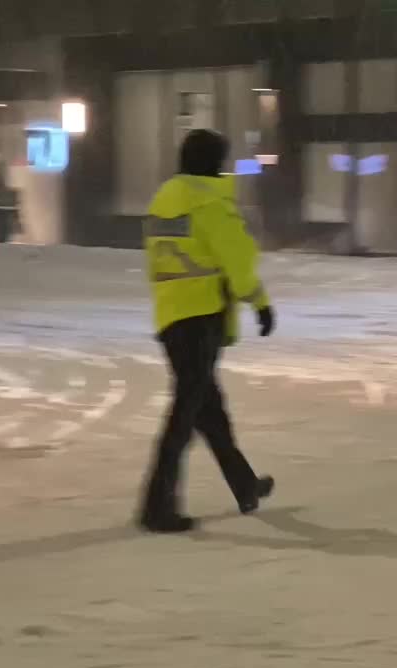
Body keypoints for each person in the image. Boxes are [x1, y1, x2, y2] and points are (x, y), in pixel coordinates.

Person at [138, 128, 277, 534]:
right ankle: (156, 506)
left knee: (208, 410)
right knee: (185, 414)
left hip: (170, 317)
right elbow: (237, 260)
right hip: (201, 318)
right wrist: (261, 303)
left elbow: (156, 259)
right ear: (214, 163)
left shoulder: (165, 198)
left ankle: (244, 484)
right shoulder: (211, 202)